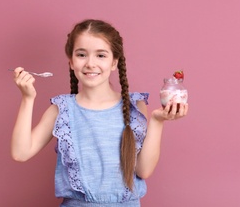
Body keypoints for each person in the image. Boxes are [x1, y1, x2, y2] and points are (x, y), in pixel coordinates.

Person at [10, 19, 188, 206]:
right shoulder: (61, 109)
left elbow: (143, 171)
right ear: (71, 62)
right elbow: (20, 153)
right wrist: (27, 98)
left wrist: (157, 121)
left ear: (114, 62)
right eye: (81, 55)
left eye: (101, 55)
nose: (90, 63)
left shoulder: (135, 107)